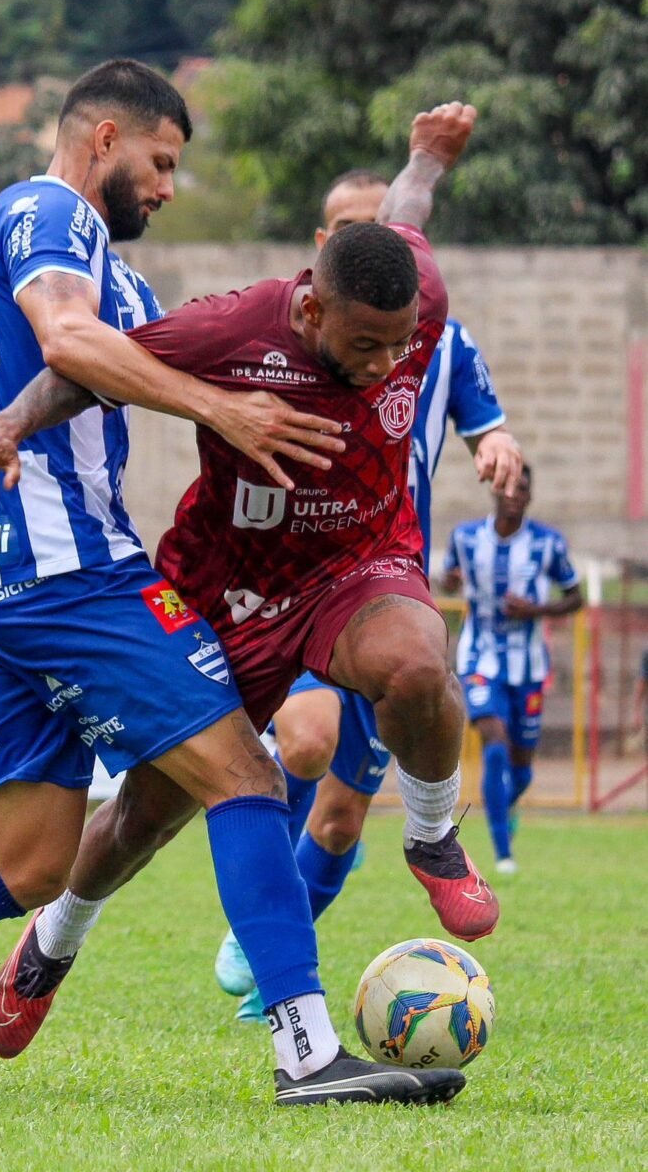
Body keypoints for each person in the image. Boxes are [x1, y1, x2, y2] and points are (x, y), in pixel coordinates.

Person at [0, 59, 464, 1108]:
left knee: (26, 864)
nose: (166, 186)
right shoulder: (47, 212)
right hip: (63, 565)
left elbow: (111, 350)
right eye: (160, 161)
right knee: (246, 775)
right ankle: (307, 1054)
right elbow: (66, 339)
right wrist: (225, 412)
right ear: (103, 137)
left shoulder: (109, 260)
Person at [0, 99, 498, 1065]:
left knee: (417, 666)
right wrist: (5, 424)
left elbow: (406, 208)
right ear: (313, 306)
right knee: (152, 814)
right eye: (364, 345)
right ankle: (54, 939)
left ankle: (432, 834)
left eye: (399, 345)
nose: (383, 365)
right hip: (228, 592)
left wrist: (427, 156)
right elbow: (92, 372)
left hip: (358, 566)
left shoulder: (414, 299)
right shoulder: (235, 330)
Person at [216, 168, 522, 1019]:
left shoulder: (441, 338)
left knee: (346, 820)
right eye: (353, 227)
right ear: (323, 251)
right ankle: (262, 924)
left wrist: (498, 451)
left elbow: (487, 423)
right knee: (306, 742)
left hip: (390, 589)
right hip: (300, 588)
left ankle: (281, 955)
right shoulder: (276, 338)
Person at [443, 464, 582, 872]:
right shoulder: (466, 538)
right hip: (480, 656)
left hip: (529, 665)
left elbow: (575, 598)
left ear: (529, 495)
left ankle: (510, 801)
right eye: (507, 485)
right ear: (494, 490)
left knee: (521, 770)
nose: (514, 493)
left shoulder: (548, 543)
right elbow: (449, 577)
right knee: (495, 742)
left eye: (522, 487)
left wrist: (537, 608)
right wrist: (449, 582)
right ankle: (503, 854)